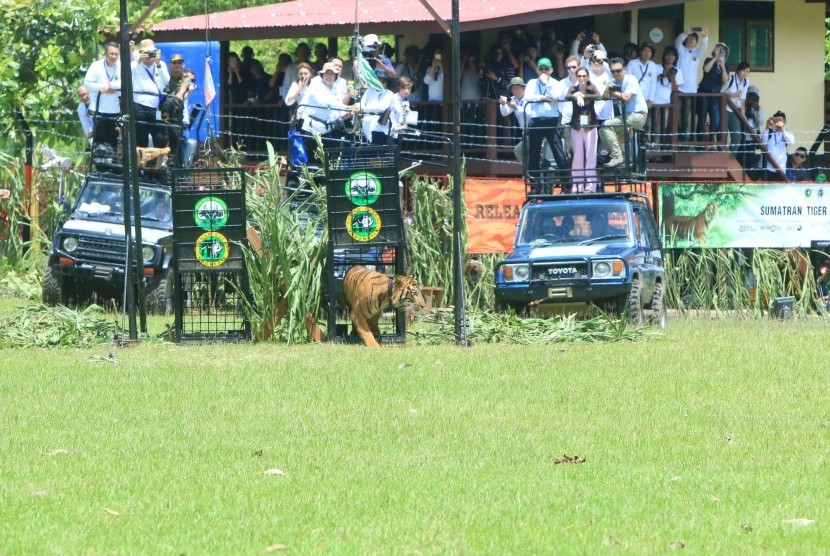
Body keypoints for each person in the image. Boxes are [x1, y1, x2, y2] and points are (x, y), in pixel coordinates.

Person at [524, 57, 567, 191]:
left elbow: (557, 96)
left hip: (551, 121)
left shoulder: (556, 83)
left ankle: (567, 184)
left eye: (546, 69)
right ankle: (534, 185)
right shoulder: (532, 82)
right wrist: (543, 97)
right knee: (534, 154)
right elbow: (528, 97)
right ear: (537, 69)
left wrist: (546, 85)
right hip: (536, 120)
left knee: (558, 153)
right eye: (541, 68)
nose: (543, 71)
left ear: (551, 70)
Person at [599, 58, 648, 168]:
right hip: (627, 116)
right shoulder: (612, 82)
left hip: (638, 115)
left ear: (624, 69)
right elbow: (604, 97)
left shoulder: (631, 79)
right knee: (602, 130)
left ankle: (616, 156)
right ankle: (614, 153)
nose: (615, 74)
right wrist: (608, 88)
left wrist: (614, 92)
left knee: (606, 126)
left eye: (618, 70)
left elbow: (626, 98)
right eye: (613, 71)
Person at [565, 67, 600, 192]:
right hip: (577, 125)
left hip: (590, 125)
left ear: (588, 76)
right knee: (577, 156)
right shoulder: (573, 88)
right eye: (579, 76)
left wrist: (583, 96)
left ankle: (590, 187)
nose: (581, 78)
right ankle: (578, 186)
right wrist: (576, 95)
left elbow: (598, 95)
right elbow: (567, 95)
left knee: (591, 155)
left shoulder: (592, 87)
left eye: (584, 76)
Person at [131, 39, 170, 148]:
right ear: (141, 52)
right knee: (141, 138)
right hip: (139, 106)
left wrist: (158, 64)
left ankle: (159, 164)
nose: (149, 56)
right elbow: (128, 74)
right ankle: (140, 164)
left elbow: (166, 81)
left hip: (156, 107)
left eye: (151, 52)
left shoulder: (161, 64)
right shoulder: (135, 64)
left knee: (160, 138)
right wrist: (139, 60)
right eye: (146, 53)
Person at [83, 42, 121, 150]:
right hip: (98, 109)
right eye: (111, 54)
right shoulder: (96, 65)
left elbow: (126, 83)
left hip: (115, 110)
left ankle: (112, 166)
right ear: (105, 53)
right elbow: (87, 84)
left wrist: (111, 87)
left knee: (113, 142)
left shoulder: (121, 66)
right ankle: (100, 165)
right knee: (99, 143)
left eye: (116, 54)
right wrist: (102, 88)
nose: (114, 57)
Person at [675, 27, 709, 140]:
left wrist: (705, 36)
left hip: (691, 91)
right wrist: (685, 33)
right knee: (678, 117)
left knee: (688, 118)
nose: (691, 40)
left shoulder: (697, 53)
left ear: (696, 42)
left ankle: (686, 141)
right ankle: (678, 141)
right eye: (689, 38)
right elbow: (678, 41)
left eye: (694, 39)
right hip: (680, 90)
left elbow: (704, 47)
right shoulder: (680, 50)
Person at [696, 42, 729, 144]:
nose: (721, 52)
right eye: (719, 49)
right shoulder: (708, 60)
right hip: (704, 93)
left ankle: (710, 143)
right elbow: (706, 70)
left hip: (715, 96)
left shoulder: (725, 66)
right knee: (702, 119)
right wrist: (715, 58)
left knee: (715, 121)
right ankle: (700, 144)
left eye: (723, 50)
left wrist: (722, 66)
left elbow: (725, 80)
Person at [652, 46, 684, 149]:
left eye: (673, 55)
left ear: (675, 58)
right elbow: (650, 82)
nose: (670, 57)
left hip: (666, 103)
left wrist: (672, 78)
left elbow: (676, 89)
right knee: (649, 127)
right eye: (668, 54)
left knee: (662, 127)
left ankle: (658, 152)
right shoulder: (656, 67)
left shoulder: (677, 71)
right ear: (664, 56)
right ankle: (648, 152)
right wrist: (662, 75)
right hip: (653, 102)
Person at [626, 42, 657, 142]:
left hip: (646, 101)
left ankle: (645, 148)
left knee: (647, 125)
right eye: (644, 51)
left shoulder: (652, 65)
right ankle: (632, 147)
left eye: (649, 51)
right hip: (634, 100)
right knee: (632, 125)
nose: (646, 53)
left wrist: (651, 100)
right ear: (640, 52)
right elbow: (628, 81)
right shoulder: (632, 63)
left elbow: (653, 84)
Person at [360, 67, 395, 145]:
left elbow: (382, 108)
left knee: (379, 149)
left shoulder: (389, 93)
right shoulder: (369, 90)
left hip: (381, 125)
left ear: (387, 84)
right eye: (378, 80)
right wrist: (359, 108)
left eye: (383, 81)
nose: (381, 83)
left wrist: (363, 109)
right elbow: (362, 103)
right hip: (366, 123)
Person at [499, 76, 530, 163]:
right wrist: (503, 104)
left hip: (535, 130)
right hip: (526, 132)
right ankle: (531, 172)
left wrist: (516, 107)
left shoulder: (530, 98)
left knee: (519, 150)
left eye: (517, 87)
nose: (515, 90)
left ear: (523, 87)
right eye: (512, 88)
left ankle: (532, 172)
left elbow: (531, 115)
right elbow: (504, 113)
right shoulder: (513, 99)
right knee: (520, 151)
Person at [723, 61, 751, 154]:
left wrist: (742, 114)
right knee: (723, 136)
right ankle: (722, 158)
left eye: (747, 71)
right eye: (743, 71)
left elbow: (743, 98)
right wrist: (733, 95)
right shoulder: (730, 79)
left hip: (734, 110)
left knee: (737, 137)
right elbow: (721, 93)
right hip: (723, 109)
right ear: (738, 71)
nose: (745, 73)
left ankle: (730, 160)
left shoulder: (746, 82)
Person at [760, 110, 794, 181]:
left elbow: (791, 142)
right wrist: (767, 127)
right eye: (777, 120)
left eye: (781, 120)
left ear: (785, 121)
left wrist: (783, 130)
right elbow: (763, 143)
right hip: (769, 168)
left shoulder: (788, 133)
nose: (779, 122)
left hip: (782, 169)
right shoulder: (769, 132)